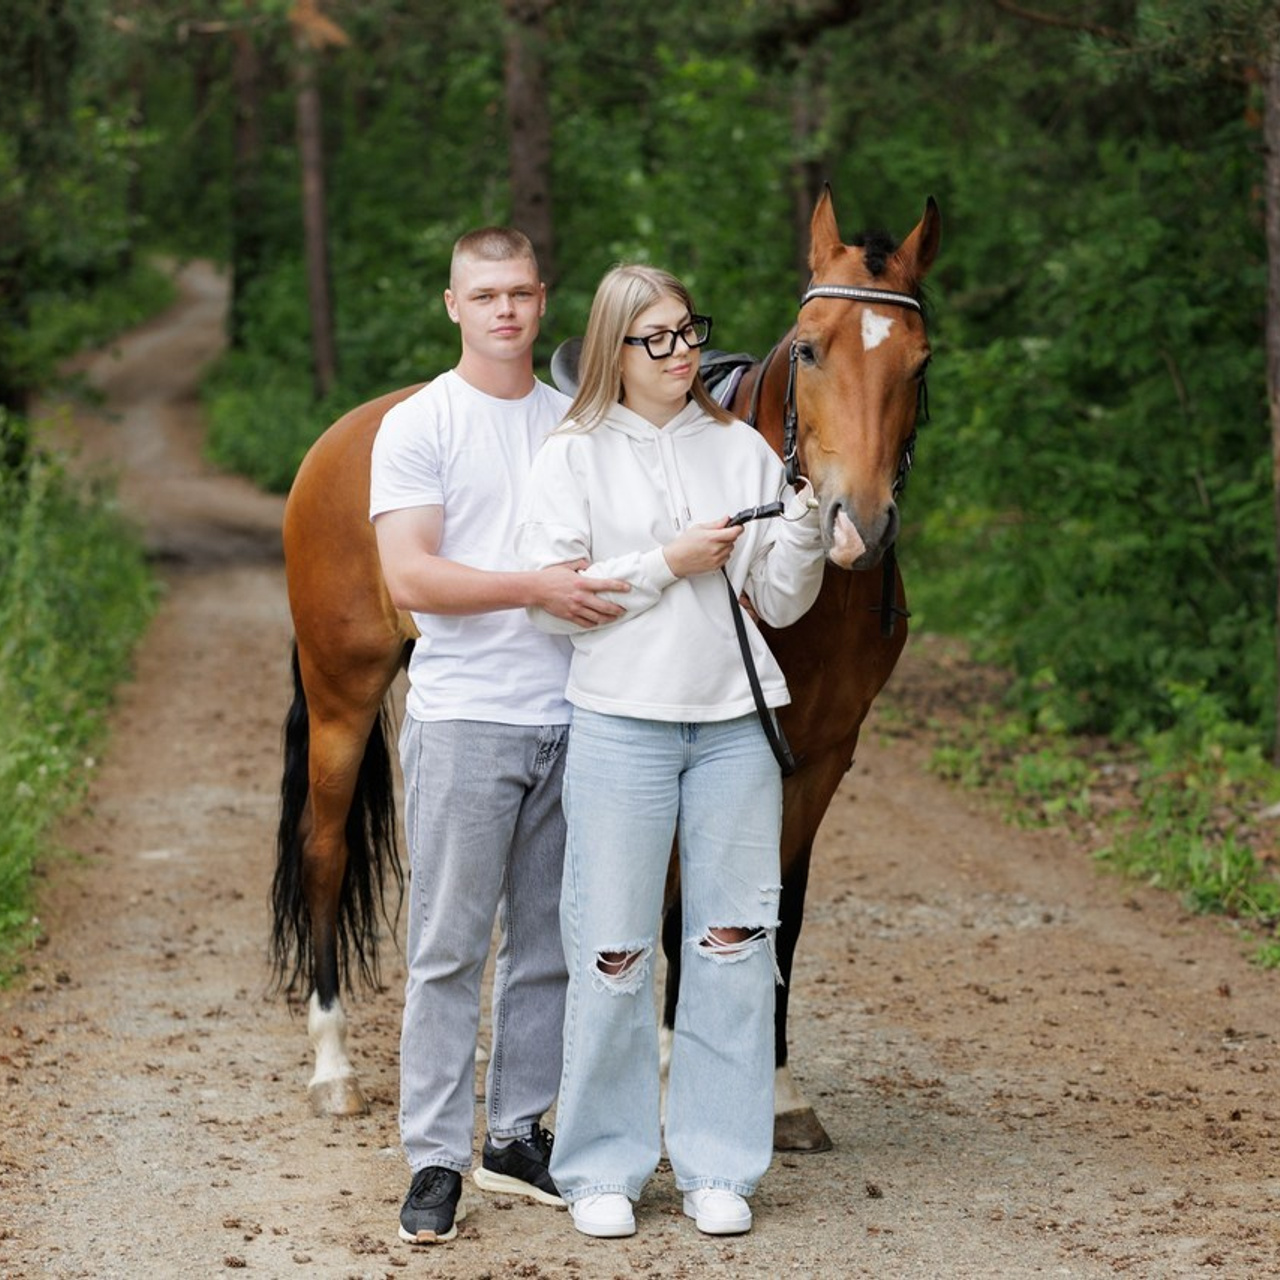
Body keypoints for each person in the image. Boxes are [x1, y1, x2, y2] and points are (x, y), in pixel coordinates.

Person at [515, 264, 826, 1239]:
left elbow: (778, 601)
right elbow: (552, 602)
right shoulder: (570, 454)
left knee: (732, 944)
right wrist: (665, 562)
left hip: (733, 724)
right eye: (658, 337)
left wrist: (808, 528)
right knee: (608, 947)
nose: (683, 350)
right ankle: (602, 1163)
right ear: (614, 350)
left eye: (689, 331)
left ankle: (717, 1162)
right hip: (619, 722)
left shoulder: (737, 447)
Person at [369, 226, 630, 1246]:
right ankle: (433, 1155)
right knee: (445, 947)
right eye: (485, 295)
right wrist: (531, 586)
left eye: (520, 292)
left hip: (574, 717)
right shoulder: (418, 424)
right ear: (453, 304)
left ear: (542, 300)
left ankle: (514, 1133)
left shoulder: (576, 420)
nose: (505, 310)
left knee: (545, 947)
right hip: (467, 717)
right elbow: (410, 577)